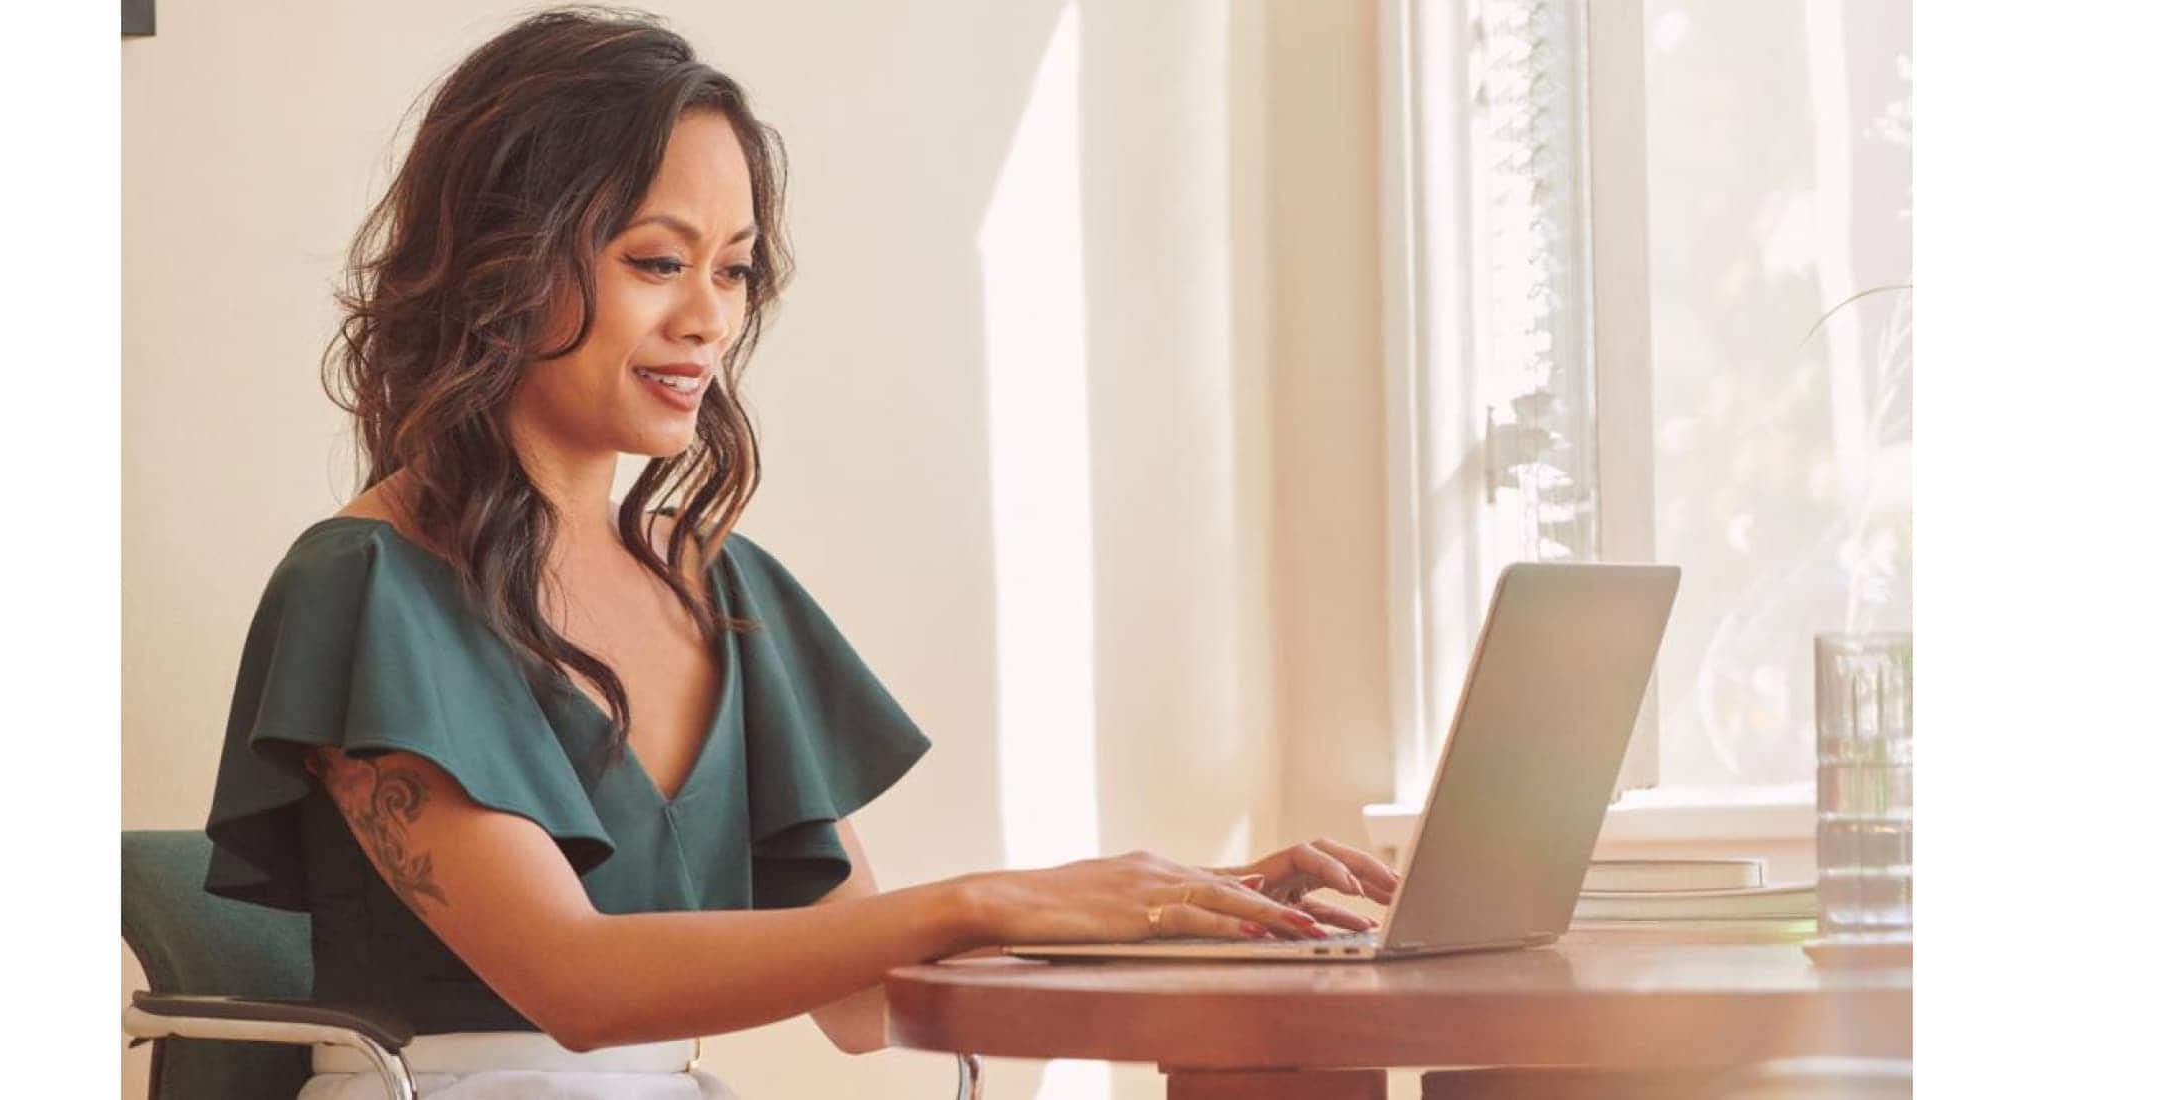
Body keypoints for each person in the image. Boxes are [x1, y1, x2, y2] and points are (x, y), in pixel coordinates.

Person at [199, 6, 1400, 1098]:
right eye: (656, 261)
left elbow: (862, 995)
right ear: (499, 265)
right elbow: (578, 983)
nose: (710, 317)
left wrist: (1180, 905)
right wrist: (994, 892)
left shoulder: (721, 590)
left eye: (731, 270)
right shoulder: (363, 585)